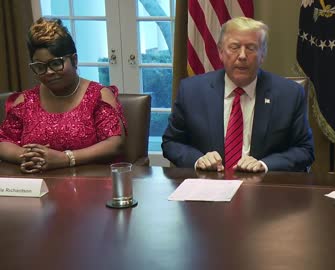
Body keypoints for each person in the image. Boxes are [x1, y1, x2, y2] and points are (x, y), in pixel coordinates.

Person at [162, 17, 314, 172]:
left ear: (263, 54)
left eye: (251, 48)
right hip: (209, 186)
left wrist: (265, 165)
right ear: (221, 52)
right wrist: (198, 160)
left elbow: (305, 150)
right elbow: (171, 142)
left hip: (264, 187)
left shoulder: (289, 94)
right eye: (234, 47)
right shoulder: (192, 91)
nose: (242, 56)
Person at [0, 17, 127, 173]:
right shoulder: (26, 100)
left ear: (74, 60)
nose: (49, 72)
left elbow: (115, 143)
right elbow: (3, 141)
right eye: (40, 67)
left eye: (55, 63)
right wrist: (30, 156)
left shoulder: (98, 96)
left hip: (90, 184)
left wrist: (66, 159)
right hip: (38, 186)